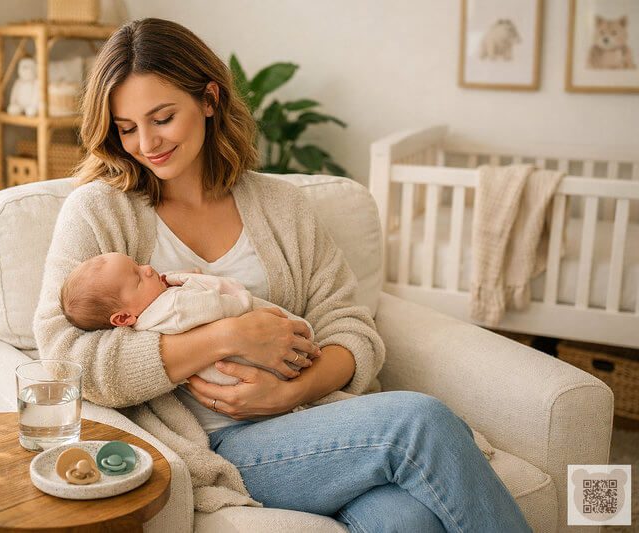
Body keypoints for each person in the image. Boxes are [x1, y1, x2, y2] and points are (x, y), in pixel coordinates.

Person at [33, 17, 532, 532]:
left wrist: (293, 390)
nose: (146, 143)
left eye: (162, 117)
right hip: (216, 443)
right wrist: (226, 335)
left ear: (209, 100)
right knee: (420, 421)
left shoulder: (282, 207)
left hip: (310, 419)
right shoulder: (98, 211)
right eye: (127, 127)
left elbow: (350, 326)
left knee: (406, 520)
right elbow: (66, 358)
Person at [59, 251, 313, 385]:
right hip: (256, 363)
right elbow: (216, 307)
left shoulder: (151, 311)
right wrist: (241, 305)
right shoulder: (173, 308)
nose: (147, 268)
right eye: (137, 276)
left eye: (137, 263)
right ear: (123, 317)